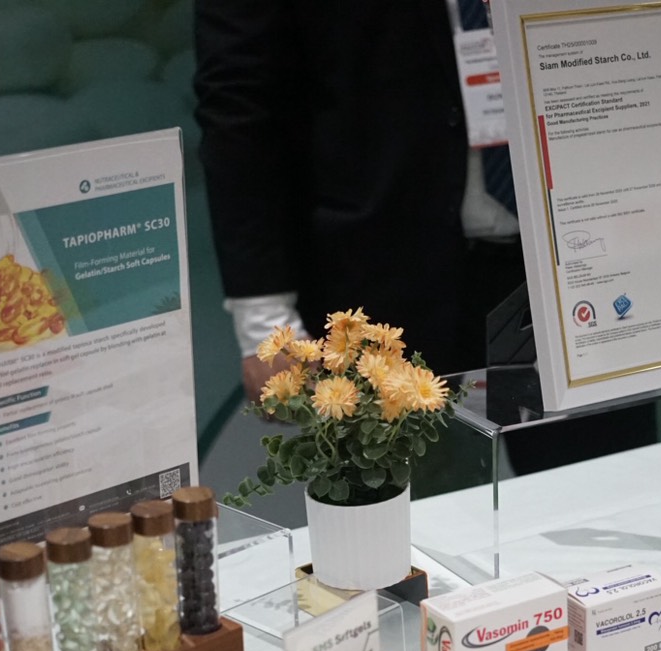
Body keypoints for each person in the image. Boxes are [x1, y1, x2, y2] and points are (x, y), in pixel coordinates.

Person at [193, 0, 523, 401]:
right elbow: (240, 103)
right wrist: (265, 322)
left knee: (587, 442)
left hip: (562, 257)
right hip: (375, 281)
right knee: (401, 442)